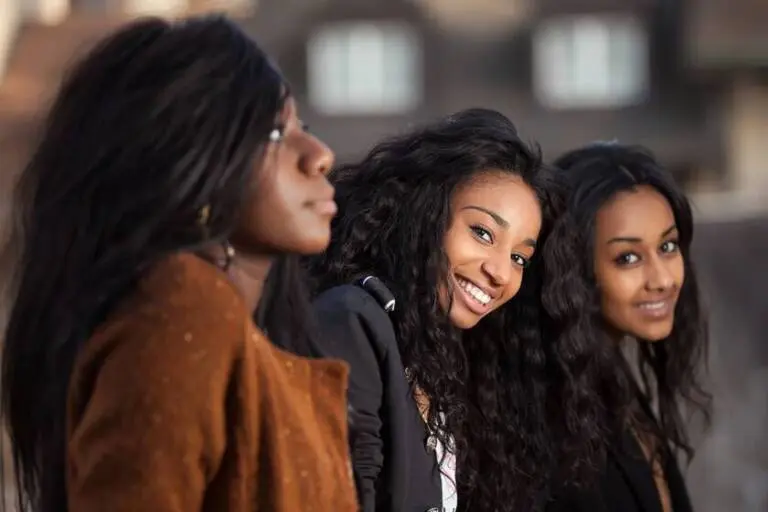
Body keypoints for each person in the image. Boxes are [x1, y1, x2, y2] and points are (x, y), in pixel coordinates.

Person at [1, 16, 358, 512]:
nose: (319, 155)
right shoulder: (184, 311)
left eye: (305, 127)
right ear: (187, 156)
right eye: (276, 133)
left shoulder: (242, 336)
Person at [307, 109, 606, 512]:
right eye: (482, 233)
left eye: (520, 257)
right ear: (424, 212)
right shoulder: (352, 320)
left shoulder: (439, 364)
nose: (500, 272)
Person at [543, 142, 711, 512]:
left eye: (668, 246)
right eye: (628, 257)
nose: (662, 280)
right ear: (574, 270)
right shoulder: (548, 411)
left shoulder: (609, 379)